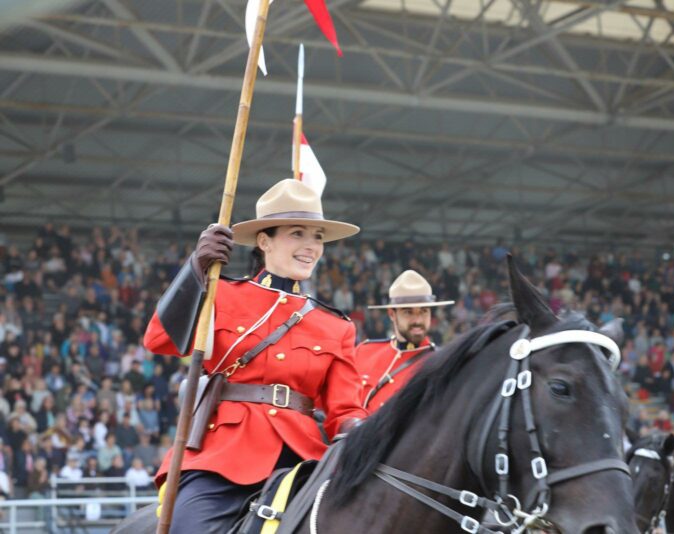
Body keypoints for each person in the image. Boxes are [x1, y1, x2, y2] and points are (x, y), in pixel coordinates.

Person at [143, 179, 368, 532]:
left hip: (302, 459)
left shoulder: (335, 326)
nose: (311, 246)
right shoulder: (223, 293)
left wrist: (366, 430)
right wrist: (195, 269)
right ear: (265, 241)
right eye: (297, 233)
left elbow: (345, 411)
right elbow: (159, 340)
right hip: (223, 456)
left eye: (318, 237)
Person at [355, 270, 453, 413]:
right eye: (408, 312)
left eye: (424, 311)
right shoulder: (364, 352)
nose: (418, 320)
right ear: (391, 314)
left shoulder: (443, 364)